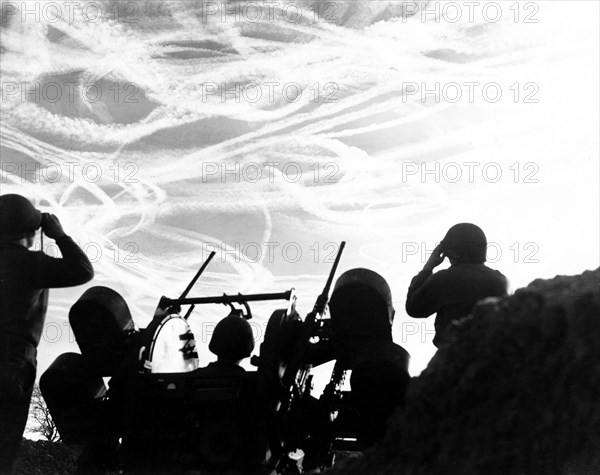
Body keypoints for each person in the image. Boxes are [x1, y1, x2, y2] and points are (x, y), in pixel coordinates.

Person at [0, 194, 94, 472]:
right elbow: (82, 270)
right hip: (12, 362)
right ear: (28, 231)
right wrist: (60, 236)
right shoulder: (31, 264)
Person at [405, 223, 507, 347]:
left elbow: (414, 308)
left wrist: (427, 268)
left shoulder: (444, 278)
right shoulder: (502, 281)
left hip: (453, 358)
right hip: (493, 358)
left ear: (452, 252)